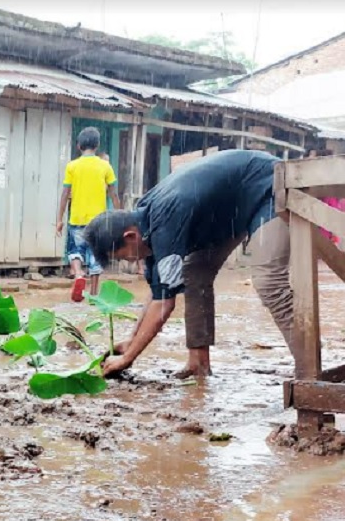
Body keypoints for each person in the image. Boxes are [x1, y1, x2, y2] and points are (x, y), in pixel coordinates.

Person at [84, 149, 290, 380]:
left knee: (270, 282)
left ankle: (308, 372)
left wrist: (128, 358)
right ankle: (198, 364)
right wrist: (131, 340)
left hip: (269, 185)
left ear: (130, 236)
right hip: (231, 208)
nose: (129, 262)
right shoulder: (146, 223)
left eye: (123, 256)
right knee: (194, 273)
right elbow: (157, 293)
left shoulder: (163, 224)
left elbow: (164, 305)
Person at [57, 127, 121, 302]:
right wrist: (119, 216)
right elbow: (113, 194)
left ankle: (78, 273)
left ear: (79, 146)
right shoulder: (105, 166)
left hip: (77, 217)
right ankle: (93, 293)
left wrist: (59, 219)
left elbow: (65, 194)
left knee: (75, 250)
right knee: (95, 255)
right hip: (98, 221)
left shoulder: (72, 166)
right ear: (97, 145)